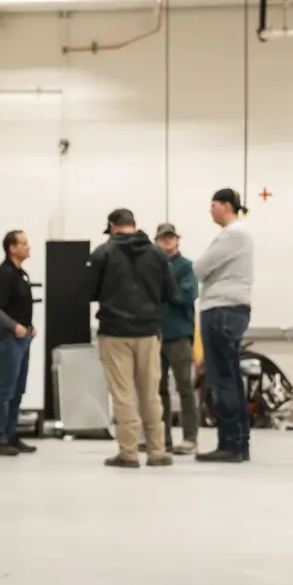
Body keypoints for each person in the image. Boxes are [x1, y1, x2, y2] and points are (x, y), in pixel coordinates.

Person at [87, 209, 176, 468]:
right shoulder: (157, 253)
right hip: (149, 333)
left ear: (113, 226)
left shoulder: (103, 253)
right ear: (135, 225)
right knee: (151, 393)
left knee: (123, 394)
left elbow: (89, 292)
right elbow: (170, 291)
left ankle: (128, 453)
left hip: (114, 332)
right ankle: (157, 451)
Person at [193, 188, 254, 463]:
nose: (210, 210)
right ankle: (240, 443)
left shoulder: (233, 234)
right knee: (231, 379)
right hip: (232, 309)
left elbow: (200, 268)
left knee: (221, 379)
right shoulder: (240, 234)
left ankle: (229, 445)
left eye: (214, 205)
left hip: (221, 309)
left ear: (227, 206)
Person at [0, 230, 37, 456]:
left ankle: (11, 434)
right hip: (9, 339)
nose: (29, 247)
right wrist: (14, 326)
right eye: (24, 244)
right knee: (6, 390)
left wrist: (28, 327)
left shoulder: (20, 274)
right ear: (12, 248)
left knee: (18, 390)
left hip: (23, 339)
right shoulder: (3, 274)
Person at [154, 223, 199, 454]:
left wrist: (165, 289)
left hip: (179, 335)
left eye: (170, 237)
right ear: (156, 241)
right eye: (163, 238)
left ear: (177, 240)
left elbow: (188, 294)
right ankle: (163, 439)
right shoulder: (151, 267)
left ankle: (190, 437)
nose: (167, 241)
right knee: (158, 389)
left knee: (185, 388)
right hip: (155, 335)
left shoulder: (185, 267)